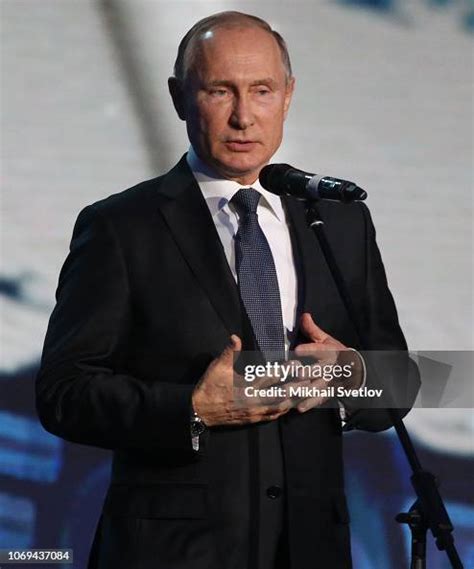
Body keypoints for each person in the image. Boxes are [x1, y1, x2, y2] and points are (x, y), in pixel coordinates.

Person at [36, 11, 416, 569]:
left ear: (287, 96)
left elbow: (403, 380)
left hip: (313, 548)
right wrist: (191, 407)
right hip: (171, 553)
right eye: (220, 91)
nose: (243, 116)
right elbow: (63, 393)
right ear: (178, 96)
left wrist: (354, 373)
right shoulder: (122, 227)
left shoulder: (337, 221)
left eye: (261, 90)